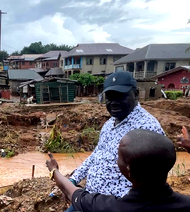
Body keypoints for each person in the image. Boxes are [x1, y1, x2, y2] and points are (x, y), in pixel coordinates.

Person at [65, 71, 164, 211]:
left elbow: (154, 176)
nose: (114, 102)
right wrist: (74, 179)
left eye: (121, 96)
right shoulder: (110, 123)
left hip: (116, 205)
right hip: (91, 198)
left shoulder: (147, 127)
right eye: (110, 97)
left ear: (135, 94)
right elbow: (96, 154)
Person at [46, 129, 190, 211]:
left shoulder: (110, 207)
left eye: (119, 157)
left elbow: (71, 191)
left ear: (128, 170)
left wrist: (54, 170)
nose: (116, 160)